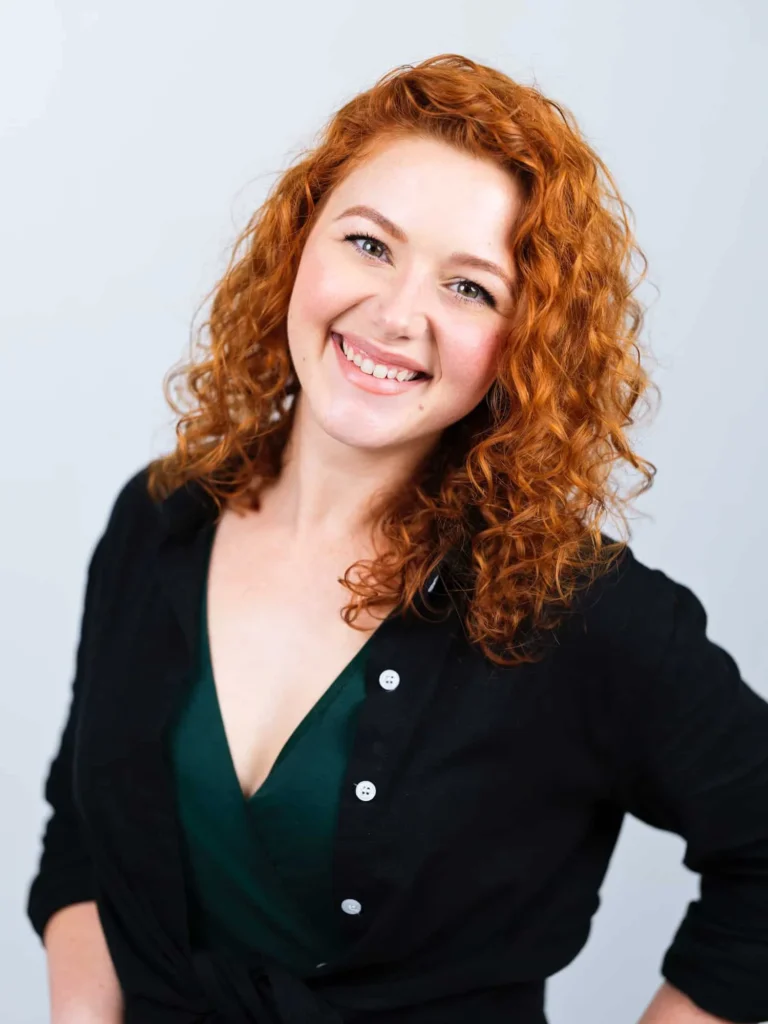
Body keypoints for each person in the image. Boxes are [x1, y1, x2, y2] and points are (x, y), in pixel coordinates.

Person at [26, 52, 768, 1024]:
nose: (396, 313)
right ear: (301, 242)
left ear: (524, 341)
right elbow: (83, 831)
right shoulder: (159, 520)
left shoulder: (578, 610)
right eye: (370, 245)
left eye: (470, 289)